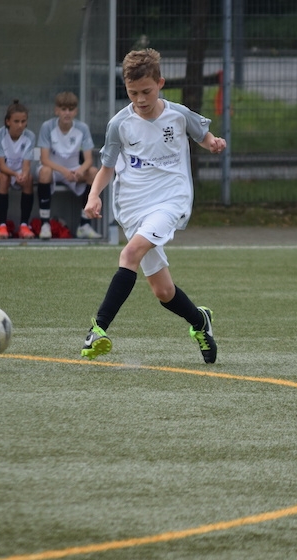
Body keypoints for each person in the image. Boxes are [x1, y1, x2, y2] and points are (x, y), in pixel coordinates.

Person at [80, 48, 227, 363]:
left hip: (170, 200)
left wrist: (212, 142)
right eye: (133, 93)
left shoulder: (178, 114)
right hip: (133, 207)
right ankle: (200, 321)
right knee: (163, 291)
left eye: (146, 91)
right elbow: (106, 167)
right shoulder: (119, 124)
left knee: (129, 254)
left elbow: (202, 134)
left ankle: (97, 329)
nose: (140, 99)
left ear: (160, 83)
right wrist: (93, 196)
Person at [36, 91, 102, 239]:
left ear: (76, 111)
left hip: (73, 171)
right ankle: (45, 225)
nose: (67, 113)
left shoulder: (82, 128)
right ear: (56, 110)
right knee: (44, 171)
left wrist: (80, 171)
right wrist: (64, 171)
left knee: (93, 173)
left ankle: (84, 225)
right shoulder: (47, 127)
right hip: (54, 170)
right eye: (63, 109)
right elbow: (44, 159)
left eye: (71, 109)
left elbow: (88, 160)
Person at [0, 100, 37, 239]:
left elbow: (26, 164)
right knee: (4, 178)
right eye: (16, 121)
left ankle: (24, 226)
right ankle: (2, 226)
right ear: (7, 121)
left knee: (28, 179)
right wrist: (16, 174)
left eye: (23, 121)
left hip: (18, 170)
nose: (20, 125)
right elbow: (1, 166)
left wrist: (23, 174)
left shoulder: (30, 136)